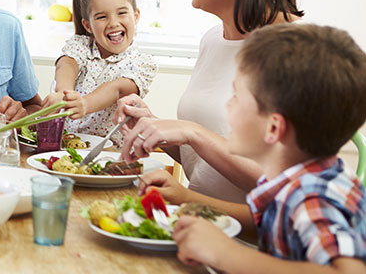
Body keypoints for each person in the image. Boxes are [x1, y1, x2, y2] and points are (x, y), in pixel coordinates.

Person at [115, 0, 303, 202]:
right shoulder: (213, 39)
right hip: (196, 228)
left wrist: (193, 132)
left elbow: (285, 194)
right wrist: (155, 126)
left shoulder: (295, 54)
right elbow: (205, 164)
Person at [140, 24, 366, 272]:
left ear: (273, 128)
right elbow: (267, 228)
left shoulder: (313, 195)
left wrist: (225, 253)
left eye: (236, 96)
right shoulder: (296, 181)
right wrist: (191, 209)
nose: (228, 105)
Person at [42, 0, 156, 146]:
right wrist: (63, 94)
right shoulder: (81, 45)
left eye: (122, 13)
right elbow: (66, 64)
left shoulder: (142, 63)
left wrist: (85, 104)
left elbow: (117, 89)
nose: (113, 23)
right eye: (102, 17)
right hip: (63, 148)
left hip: (108, 155)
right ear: (88, 25)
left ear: (136, 15)